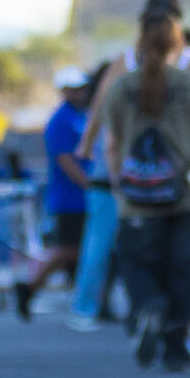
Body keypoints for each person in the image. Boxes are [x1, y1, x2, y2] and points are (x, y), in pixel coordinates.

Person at [103, 10, 190, 371]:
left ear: (140, 41)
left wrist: (118, 183)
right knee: (183, 270)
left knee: (137, 264)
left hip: (137, 200)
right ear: (179, 42)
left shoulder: (122, 87)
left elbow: (112, 143)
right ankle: (175, 348)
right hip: (185, 195)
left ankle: (148, 305)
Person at [77, 0, 190, 164]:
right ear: (177, 26)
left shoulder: (125, 63)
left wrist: (87, 145)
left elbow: (100, 105)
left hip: (136, 170)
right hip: (181, 168)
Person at [15, 67, 90, 321]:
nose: (81, 92)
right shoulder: (61, 120)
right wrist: (88, 184)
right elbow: (65, 159)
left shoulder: (82, 115)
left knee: (79, 250)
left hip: (82, 197)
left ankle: (84, 296)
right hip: (71, 198)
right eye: (75, 88)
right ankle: (30, 287)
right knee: (70, 250)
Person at [66, 61, 119, 332]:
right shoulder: (102, 112)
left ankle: (100, 305)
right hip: (107, 186)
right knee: (96, 250)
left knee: (126, 253)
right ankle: (84, 307)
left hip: (117, 187)